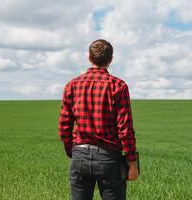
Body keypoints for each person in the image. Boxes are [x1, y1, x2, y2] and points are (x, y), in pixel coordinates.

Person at [58, 39, 139, 200]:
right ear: (110, 60)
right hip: (109, 159)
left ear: (89, 58)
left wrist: (73, 152)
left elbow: (64, 126)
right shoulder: (118, 86)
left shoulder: (72, 85)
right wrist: (132, 162)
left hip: (79, 155)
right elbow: (125, 129)